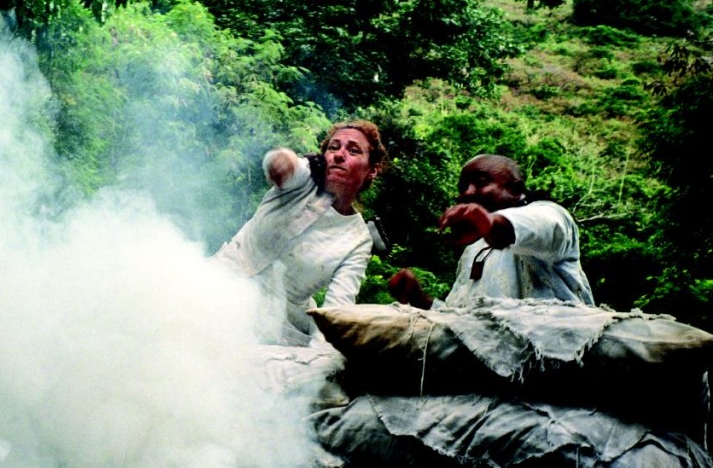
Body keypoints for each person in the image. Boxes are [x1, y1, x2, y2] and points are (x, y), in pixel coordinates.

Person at [215, 120, 388, 345]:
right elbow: (287, 166)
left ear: (371, 170)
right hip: (217, 282)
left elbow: (336, 312)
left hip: (273, 326)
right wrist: (282, 161)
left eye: (353, 150)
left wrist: (320, 361)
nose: (339, 155)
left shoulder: (358, 239)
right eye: (333, 147)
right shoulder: (306, 175)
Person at [389, 153, 594, 309]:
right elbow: (467, 327)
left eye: (481, 182)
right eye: (462, 187)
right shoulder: (473, 250)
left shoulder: (552, 215)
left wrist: (489, 221)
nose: (467, 193)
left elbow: (541, 225)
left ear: (516, 190)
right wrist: (420, 300)